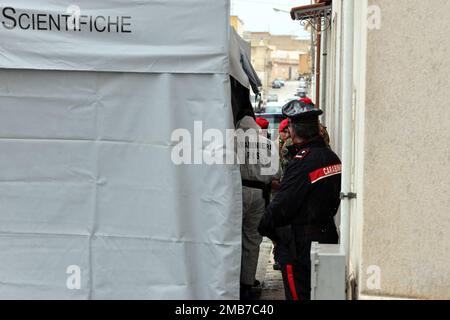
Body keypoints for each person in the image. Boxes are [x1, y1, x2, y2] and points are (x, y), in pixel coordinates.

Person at [258, 99, 342, 301]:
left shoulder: (303, 163)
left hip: (300, 247)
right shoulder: (332, 158)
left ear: (294, 131)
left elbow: (280, 207)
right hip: (327, 238)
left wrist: (268, 228)